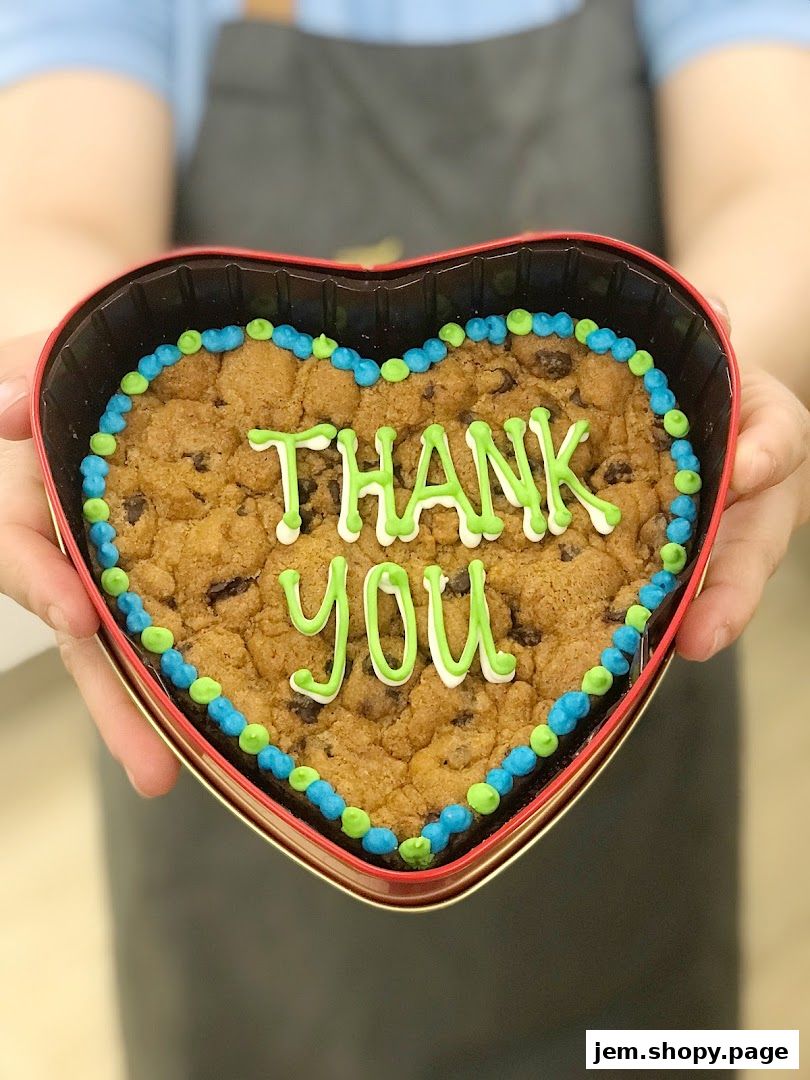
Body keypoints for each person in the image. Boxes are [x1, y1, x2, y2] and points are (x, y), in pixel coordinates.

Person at [1, 2, 809, 1077]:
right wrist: (43, 395)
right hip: (230, 763)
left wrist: (722, 384)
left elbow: (776, 174)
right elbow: (54, 201)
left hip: (628, 686)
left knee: (645, 1052)